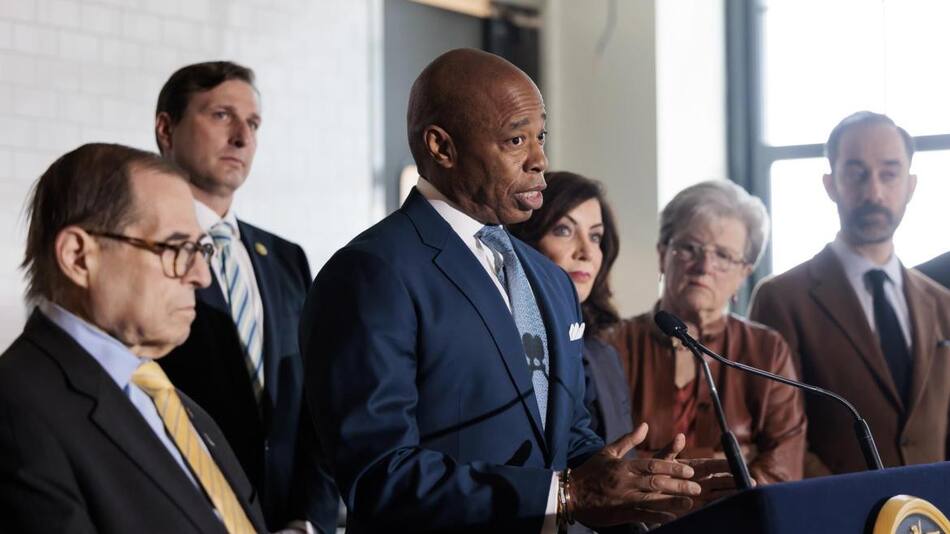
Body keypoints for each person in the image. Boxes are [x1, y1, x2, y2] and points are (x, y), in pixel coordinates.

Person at [301, 48, 729, 533]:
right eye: (515, 139)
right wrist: (567, 494)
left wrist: (636, 482)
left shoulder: (549, 279)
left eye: (540, 137)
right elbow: (380, 476)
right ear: (442, 147)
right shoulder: (371, 273)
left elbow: (565, 433)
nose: (539, 159)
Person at [0, 143, 267, 533]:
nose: (202, 276)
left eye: (202, 249)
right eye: (177, 248)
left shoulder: (171, 400)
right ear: (78, 257)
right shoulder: (15, 409)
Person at [154, 61, 336, 532]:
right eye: (221, 115)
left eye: (253, 124)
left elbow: (315, 407)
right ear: (166, 129)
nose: (241, 138)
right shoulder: (142, 252)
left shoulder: (286, 258)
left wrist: (308, 520)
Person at [750, 111, 950, 476]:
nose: (874, 192)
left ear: (911, 185)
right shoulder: (782, 298)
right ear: (830, 184)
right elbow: (777, 435)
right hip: (832, 506)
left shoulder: (942, 304)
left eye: (889, 174)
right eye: (856, 173)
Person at [610, 180, 805, 486]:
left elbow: (783, 470)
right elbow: (603, 460)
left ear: (743, 274)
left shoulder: (767, 350)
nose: (704, 267)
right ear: (662, 254)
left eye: (724, 256)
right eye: (690, 248)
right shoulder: (613, 343)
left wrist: (653, 463)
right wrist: (725, 462)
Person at [508, 171, 633, 448]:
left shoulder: (604, 354)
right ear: (526, 241)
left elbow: (621, 456)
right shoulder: (505, 344)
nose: (586, 252)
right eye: (564, 230)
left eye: (596, 236)